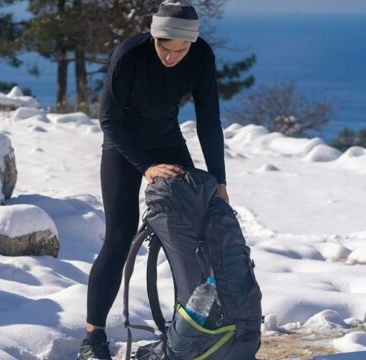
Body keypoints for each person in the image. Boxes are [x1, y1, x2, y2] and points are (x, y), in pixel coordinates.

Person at [77, 1, 229, 359]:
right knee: (119, 235)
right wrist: (146, 167)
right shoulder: (129, 55)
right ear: (154, 35)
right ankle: (93, 337)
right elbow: (110, 120)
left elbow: (209, 120)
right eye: (165, 46)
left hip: (166, 137)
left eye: (181, 49)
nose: (172, 56)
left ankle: (191, 328)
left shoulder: (202, 56)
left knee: (197, 233)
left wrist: (219, 181)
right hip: (123, 143)